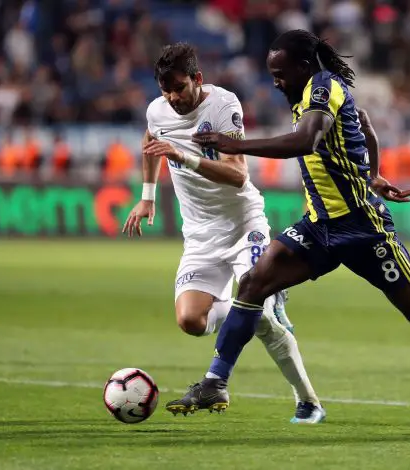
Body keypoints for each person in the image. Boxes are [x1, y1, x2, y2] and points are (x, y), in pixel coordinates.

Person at [167, 30, 410, 415]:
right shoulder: (305, 94)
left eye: (280, 74)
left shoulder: (322, 87)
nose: (276, 82)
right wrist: (372, 175)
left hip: (362, 227)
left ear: (303, 66)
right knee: (253, 284)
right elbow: (363, 123)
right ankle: (215, 383)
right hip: (319, 227)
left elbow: (306, 141)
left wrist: (235, 145)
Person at [122, 42, 325, 424]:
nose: (172, 97)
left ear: (197, 79)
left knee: (261, 316)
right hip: (200, 236)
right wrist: (147, 196)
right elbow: (150, 142)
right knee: (191, 321)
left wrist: (182, 156)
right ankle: (261, 300)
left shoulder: (222, 105)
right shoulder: (157, 110)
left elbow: (237, 175)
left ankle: (308, 401)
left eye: (179, 88)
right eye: (166, 90)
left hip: (243, 226)